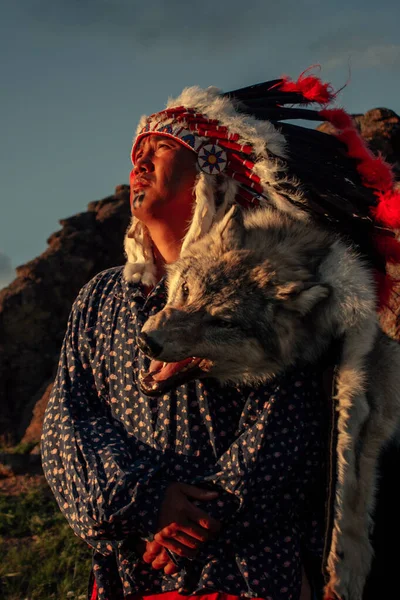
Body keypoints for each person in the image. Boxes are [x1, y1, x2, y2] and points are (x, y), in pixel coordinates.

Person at [41, 71, 400, 600]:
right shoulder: (99, 298)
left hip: (244, 571)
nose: (138, 163)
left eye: (159, 149)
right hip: (129, 570)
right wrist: (143, 501)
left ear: (213, 169)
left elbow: (290, 421)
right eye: (135, 153)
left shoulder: (265, 282)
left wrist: (196, 519)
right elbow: (70, 417)